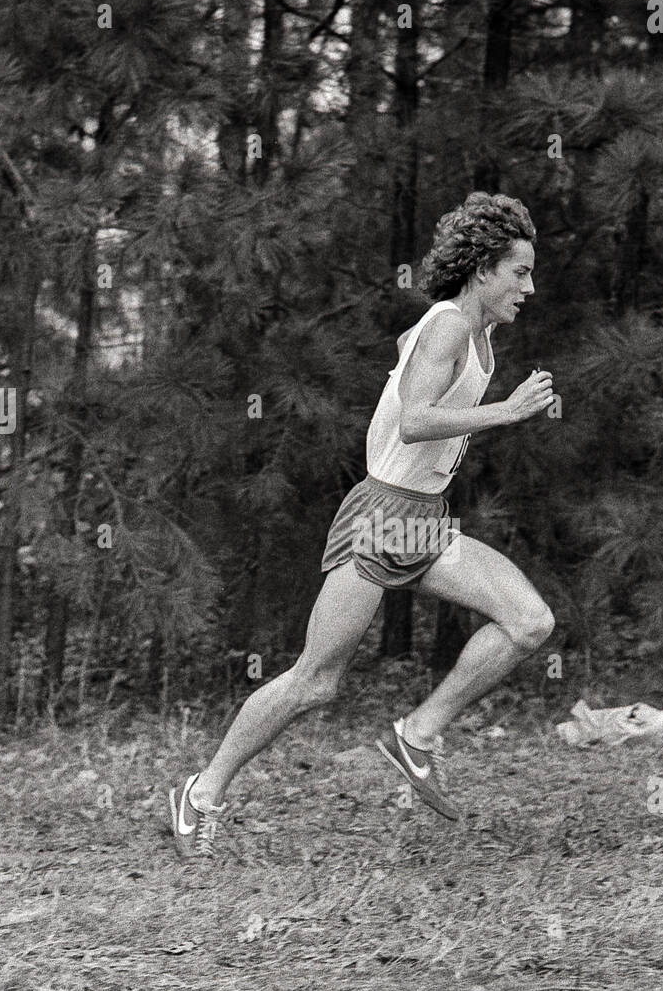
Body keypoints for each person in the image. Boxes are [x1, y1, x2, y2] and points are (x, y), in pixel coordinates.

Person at [170, 191, 557, 858]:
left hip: (424, 520)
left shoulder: (470, 330)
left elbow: (409, 374)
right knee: (315, 681)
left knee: (529, 622)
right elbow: (414, 419)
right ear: (483, 269)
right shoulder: (449, 326)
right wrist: (507, 413)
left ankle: (418, 732)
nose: (530, 286)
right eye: (519, 271)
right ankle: (200, 793)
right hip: (383, 517)